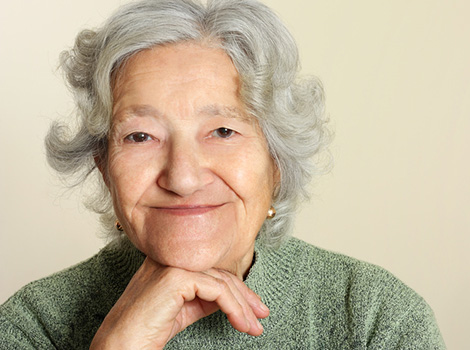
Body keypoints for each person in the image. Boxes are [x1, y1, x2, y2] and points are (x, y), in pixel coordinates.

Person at [0, 0, 445, 348]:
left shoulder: (376, 319)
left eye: (223, 130)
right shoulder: (31, 327)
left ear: (276, 160)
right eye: (140, 136)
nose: (183, 177)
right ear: (103, 167)